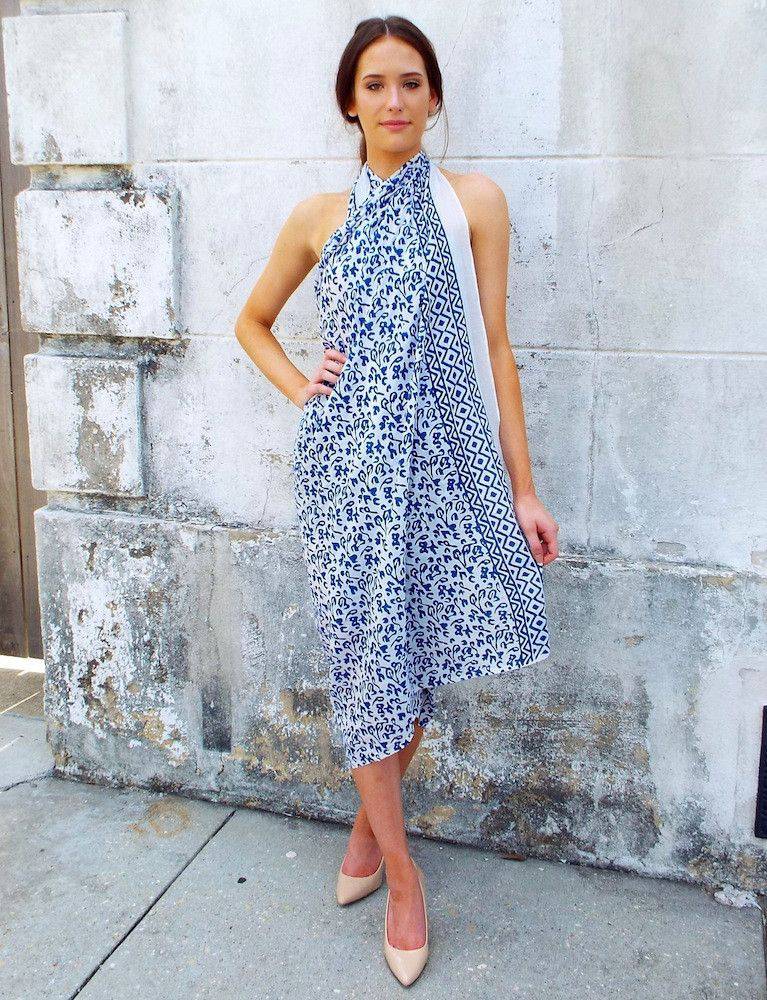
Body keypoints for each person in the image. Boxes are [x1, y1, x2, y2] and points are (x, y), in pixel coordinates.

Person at [235, 15, 559, 987]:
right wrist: (302, 386)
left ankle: (364, 829)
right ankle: (405, 875)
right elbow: (250, 323)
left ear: (433, 96)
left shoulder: (473, 204)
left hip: (444, 474)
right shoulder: (317, 217)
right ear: (350, 101)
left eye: (410, 82)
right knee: (366, 668)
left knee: (410, 666)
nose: (393, 99)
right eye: (374, 84)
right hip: (345, 479)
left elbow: (495, 348)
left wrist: (523, 489)